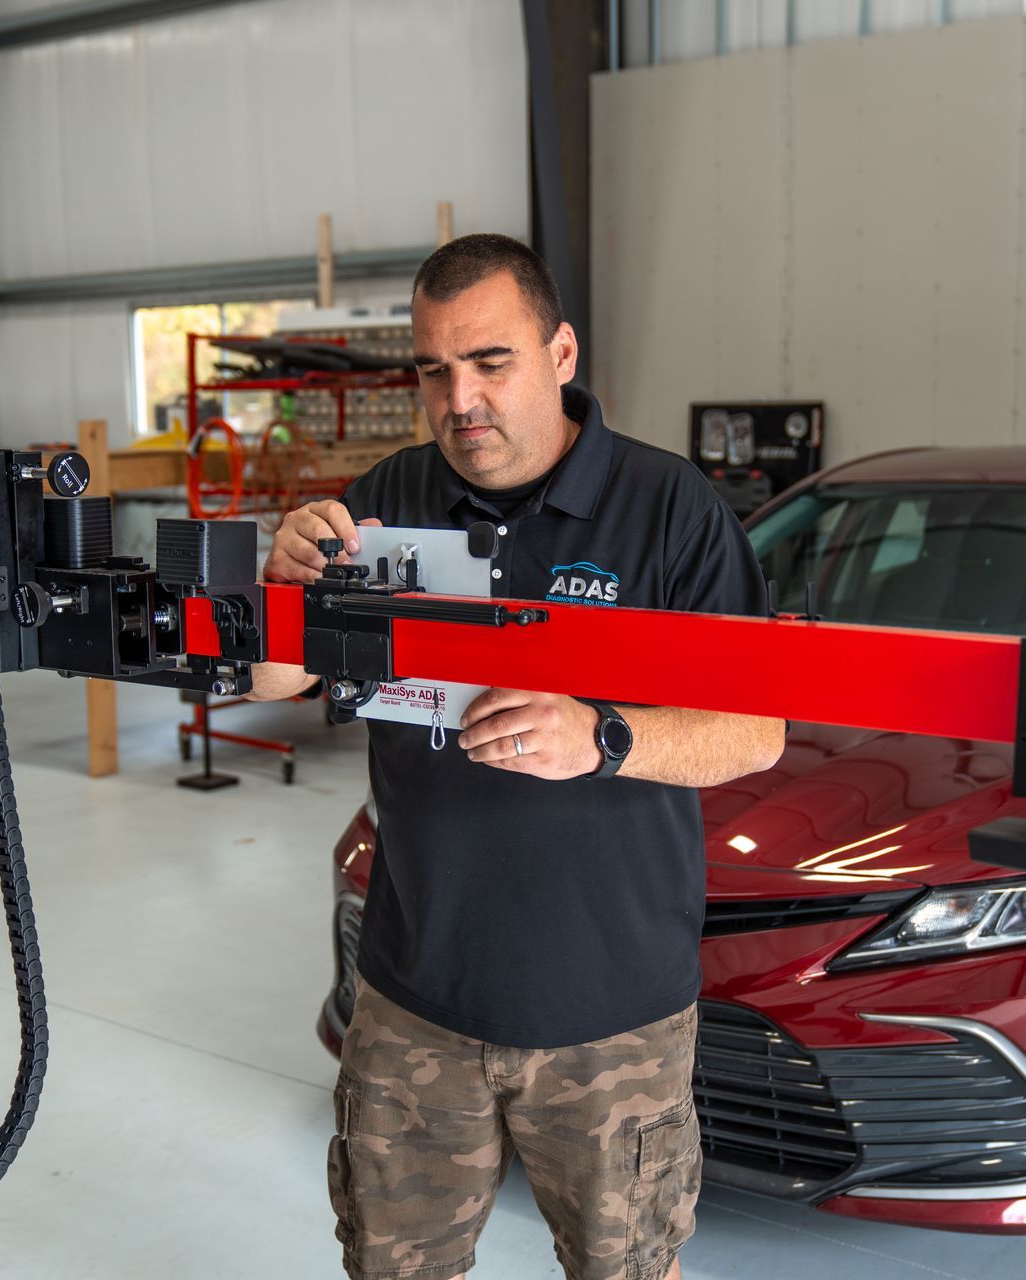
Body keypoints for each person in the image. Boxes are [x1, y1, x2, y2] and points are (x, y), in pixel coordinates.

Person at [251, 234, 784, 1280]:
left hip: (611, 1019)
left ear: (562, 354)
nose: (461, 398)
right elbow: (277, 682)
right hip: (415, 1004)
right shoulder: (385, 499)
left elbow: (753, 729)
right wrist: (281, 586)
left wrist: (603, 735)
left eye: (490, 360)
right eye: (435, 369)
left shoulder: (671, 510)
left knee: (627, 1265)